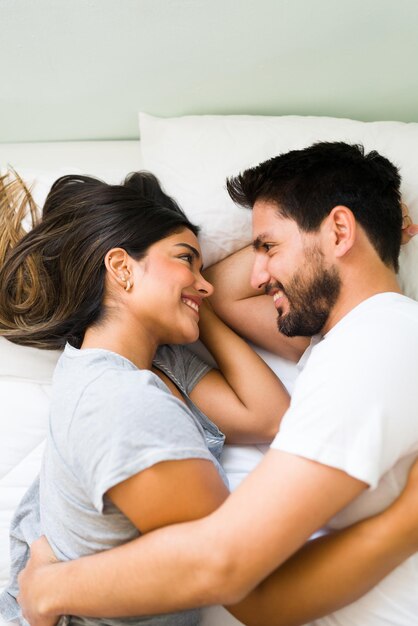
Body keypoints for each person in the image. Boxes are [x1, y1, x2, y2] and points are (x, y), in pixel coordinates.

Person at [13, 142, 418, 626]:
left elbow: (235, 575)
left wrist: (50, 588)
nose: (257, 270)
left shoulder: (375, 344)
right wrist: (368, 229)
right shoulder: (340, 344)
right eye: (189, 261)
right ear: (120, 269)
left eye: (267, 246)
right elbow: (226, 293)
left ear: (337, 231)